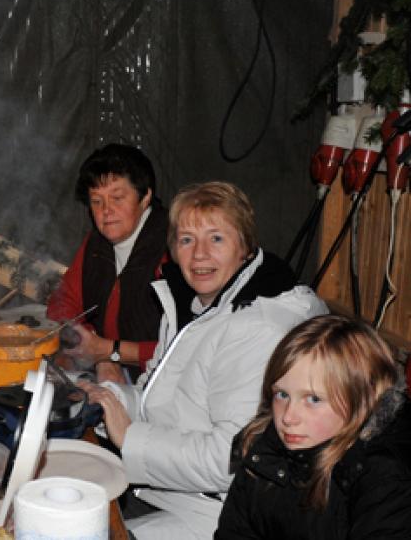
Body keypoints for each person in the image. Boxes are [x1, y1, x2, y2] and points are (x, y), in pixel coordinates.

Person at [81, 181, 327, 540]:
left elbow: (230, 459)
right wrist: (107, 400)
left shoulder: (258, 328)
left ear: (244, 246)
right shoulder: (195, 305)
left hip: (225, 515)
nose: (198, 255)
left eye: (216, 239)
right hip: (171, 492)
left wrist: (130, 437)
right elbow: (159, 402)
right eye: (186, 240)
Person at [215, 315, 411, 539]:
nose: (288, 417)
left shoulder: (385, 477)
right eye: (282, 395)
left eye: (314, 399)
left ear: (362, 402)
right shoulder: (263, 449)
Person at [46, 144, 168, 382]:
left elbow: (188, 346)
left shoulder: (174, 248)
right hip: (109, 373)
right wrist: (90, 343)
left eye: (117, 198)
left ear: (145, 198)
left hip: (164, 385)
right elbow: (63, 300)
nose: (106, 211)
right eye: (96, 201)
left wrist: (110, 351)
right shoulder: (95, 243)